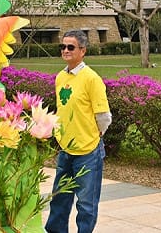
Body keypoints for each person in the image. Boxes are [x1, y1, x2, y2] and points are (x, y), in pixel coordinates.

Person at [46, 30, 112, 233]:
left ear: (82, 51)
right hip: (66, 149)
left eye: (70, 47)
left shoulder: (91, 79)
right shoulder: (60, 77)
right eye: (63, 46)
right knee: (59, 199)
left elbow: (104, 117)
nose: (65, 50)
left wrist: (94, 136)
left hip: (87, 151)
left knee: (86, 204)